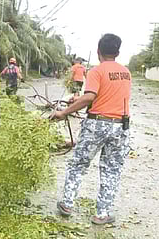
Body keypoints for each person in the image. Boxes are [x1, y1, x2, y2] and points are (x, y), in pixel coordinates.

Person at [51, 33, 131, 225]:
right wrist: (78, 100)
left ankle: (67, 204)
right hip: (120, 126)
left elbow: (90, 97)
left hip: (97, 124)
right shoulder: (126, 73)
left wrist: (64, 112)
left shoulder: (96, 71)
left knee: (78, 164)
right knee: (111, 170)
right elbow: (106, 96)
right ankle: (102, 214)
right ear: (118, 52)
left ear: (98, 51)